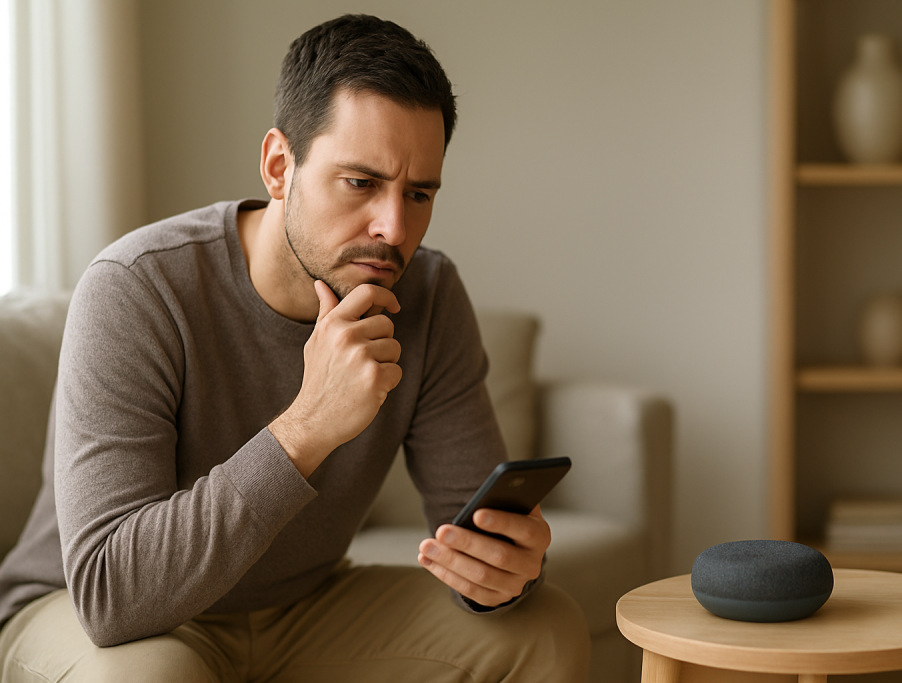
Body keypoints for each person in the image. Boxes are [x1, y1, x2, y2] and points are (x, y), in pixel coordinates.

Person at [0, 14, 589, 682]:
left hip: (299, 606)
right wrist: (308, 424)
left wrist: (506, 570)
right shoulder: (137, 288)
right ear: (280, 166)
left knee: (544, 628)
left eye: (419, 193)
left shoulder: (428, 293)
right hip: (86, 612)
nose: (395, 228)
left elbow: (470, 533)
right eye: (361, 183)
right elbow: (113, 596)